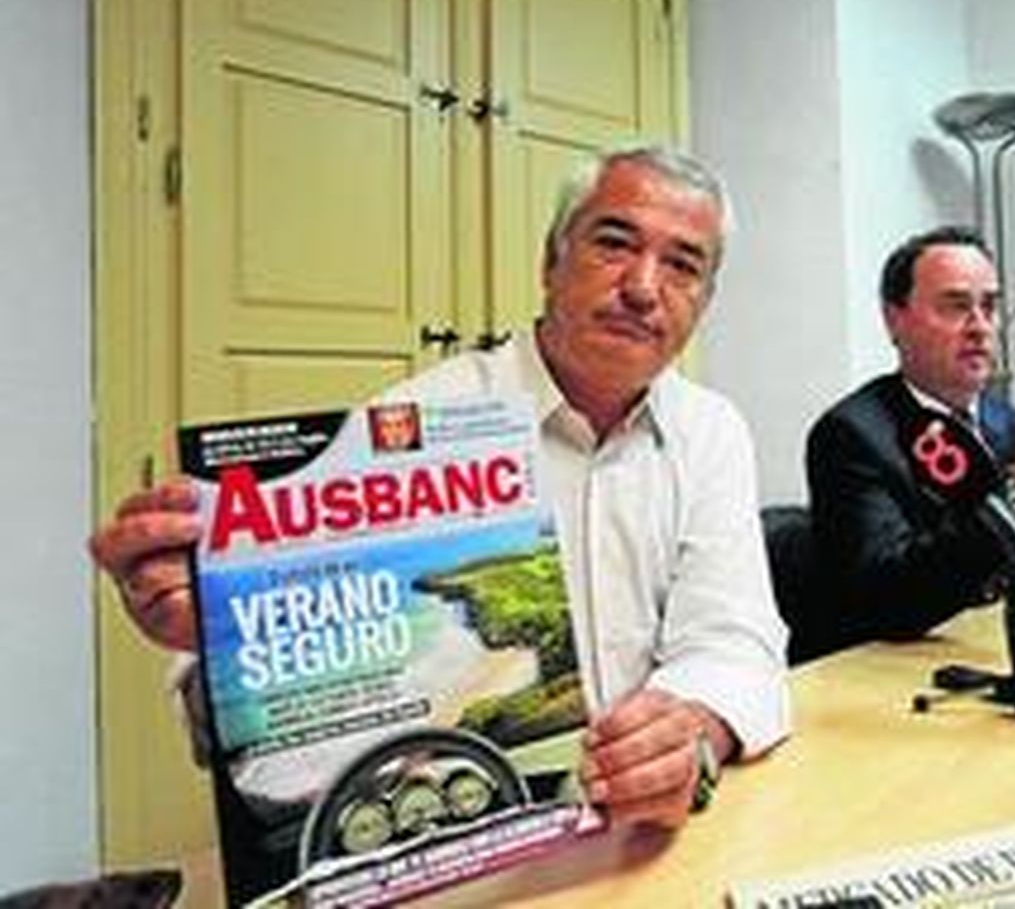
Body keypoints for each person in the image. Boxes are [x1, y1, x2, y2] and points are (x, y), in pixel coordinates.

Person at [89, 146, 790, 831]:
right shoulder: (410, 428)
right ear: (550, 262)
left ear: (704, 302)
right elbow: (268, 743)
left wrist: (689, 735)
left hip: (646, 837)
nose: (642, 287)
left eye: (682, 265)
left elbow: (733, 638)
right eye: (614, 244)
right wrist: (224, 640)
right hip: (449, 841)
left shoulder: (711, 430)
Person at [805, 226, 1015, 648]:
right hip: (888, 666)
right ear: (895, 319)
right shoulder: (852, 434)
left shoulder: (1009, 423)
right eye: (956, 307)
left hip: (990, 650)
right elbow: (888, 596)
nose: (980, 327)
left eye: (990, 306)